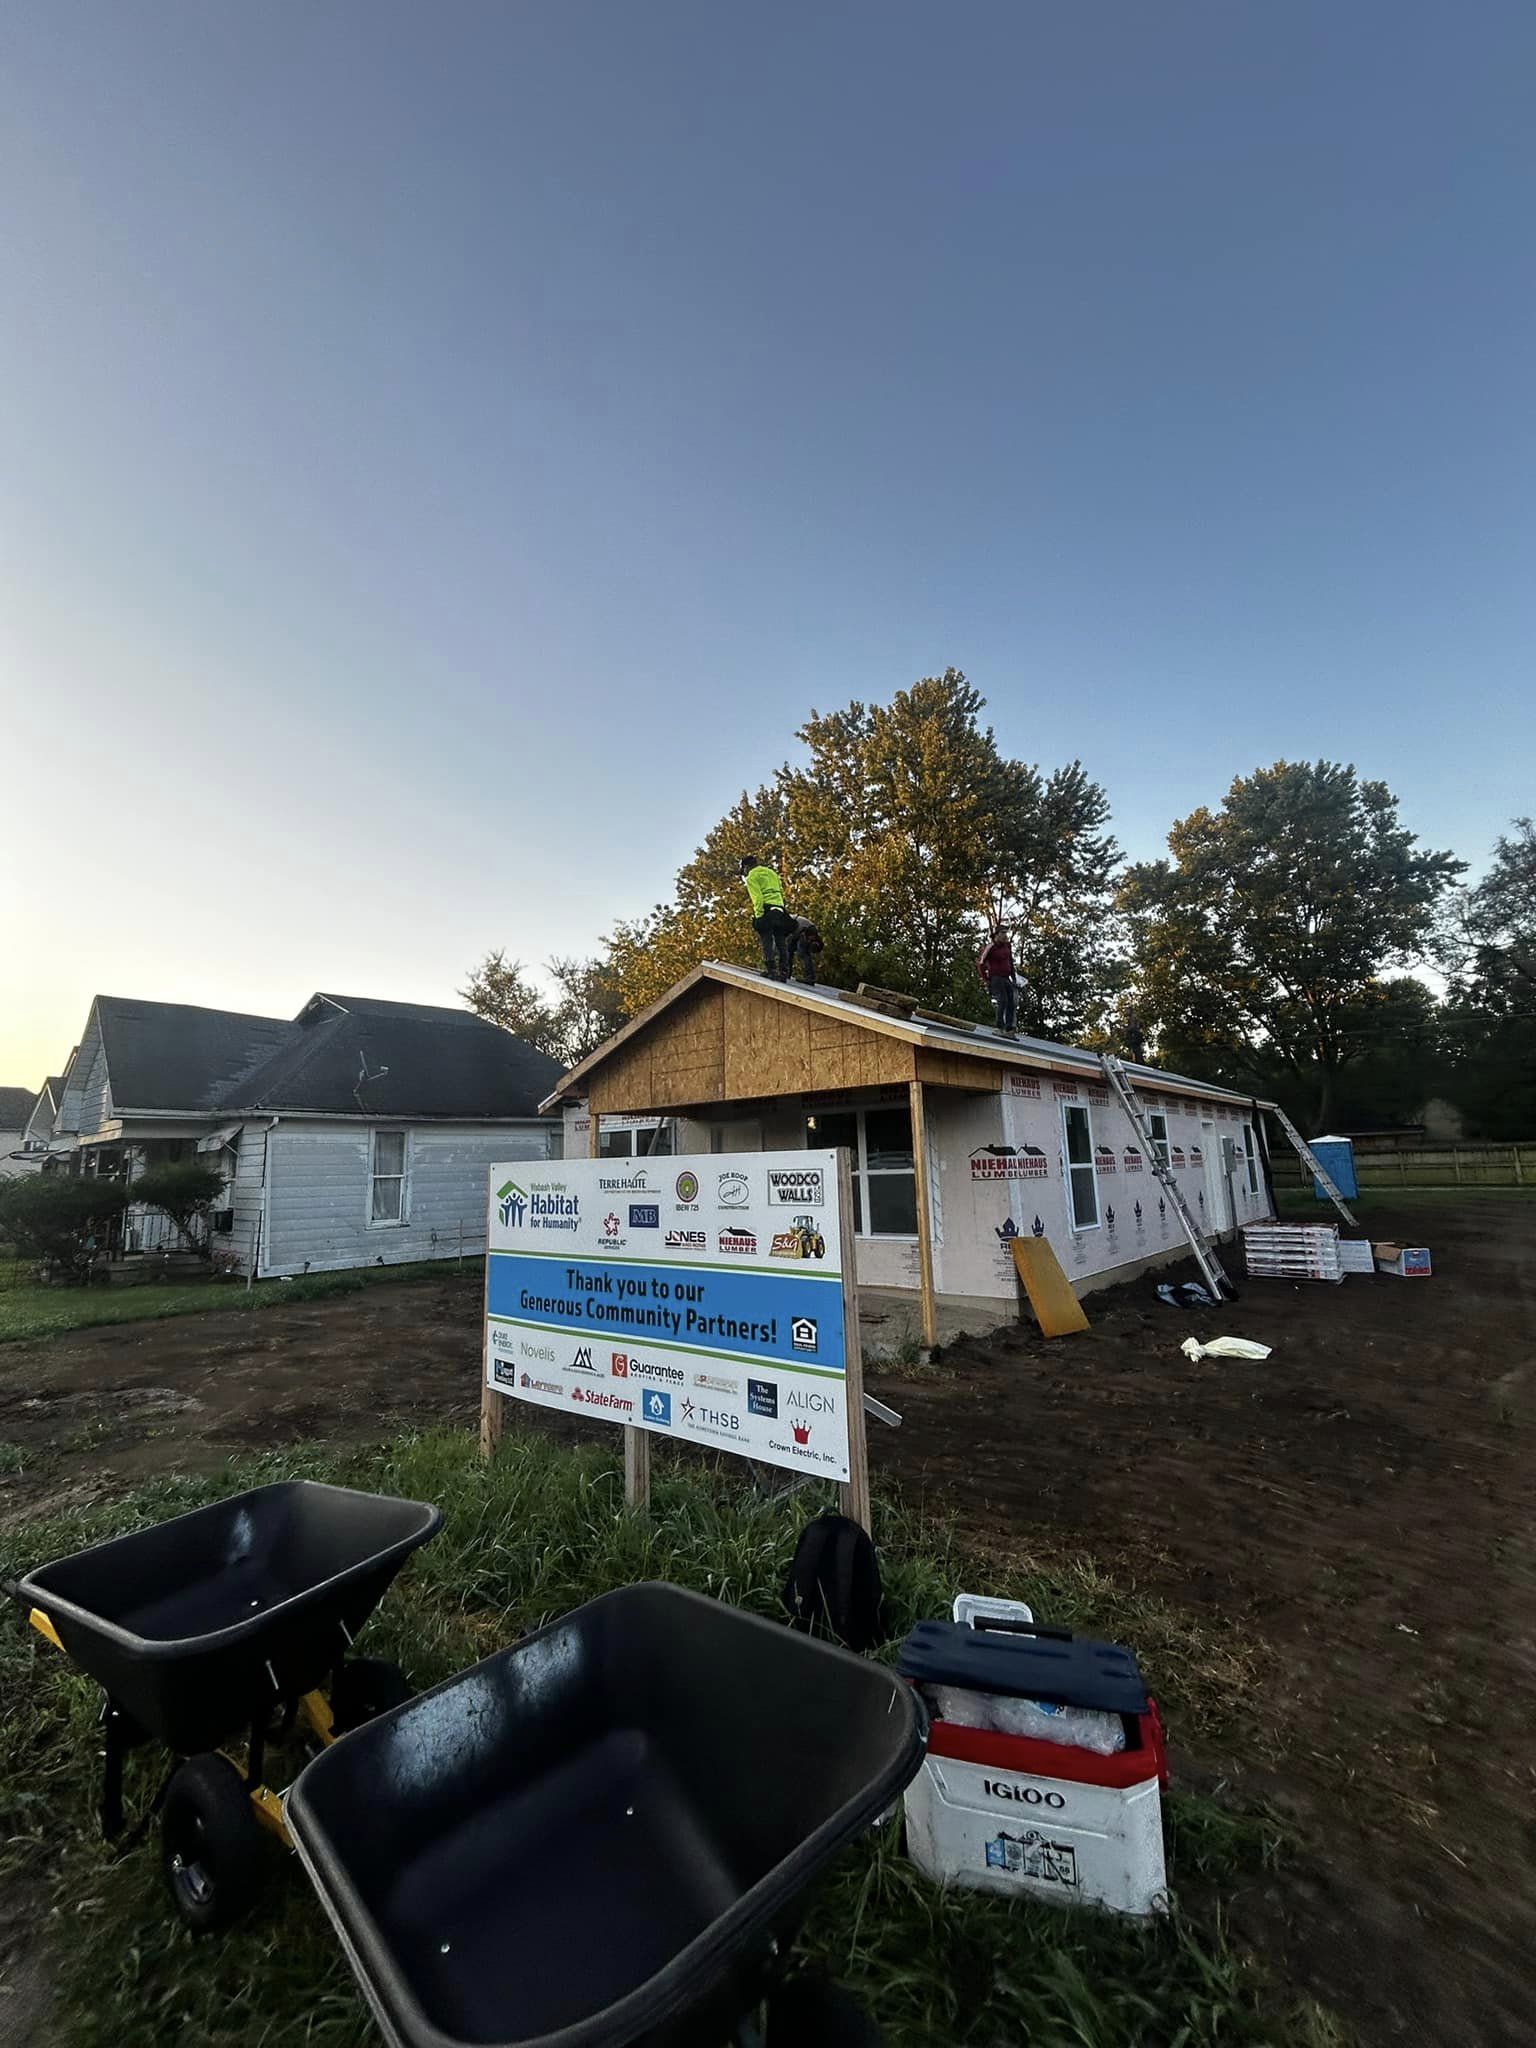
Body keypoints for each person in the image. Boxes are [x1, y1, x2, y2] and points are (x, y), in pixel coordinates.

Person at [739, 855, 795, 980]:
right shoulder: (771, 872)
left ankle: (771, 970)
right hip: (779, 908)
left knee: (766, 940)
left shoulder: (751, 877)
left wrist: (759, 916)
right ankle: (784, 971)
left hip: (767, 909)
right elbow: (780, 891)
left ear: (746, 867)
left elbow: (758, 898)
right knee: (781, 941)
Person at [977, 924, 1017, 1031]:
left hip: (1006, 977)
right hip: (996, 978)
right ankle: (999, 1025)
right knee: (1002, 1000)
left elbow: (1010, 961)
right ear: (996, 935)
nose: (1005, 936)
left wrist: (1013, 977)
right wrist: (986, 979)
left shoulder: (1007, 946)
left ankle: (1009, 1027)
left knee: (1011, 1001)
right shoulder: (991, 947)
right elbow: (981, 963)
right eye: (1002, 933)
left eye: (1006, 933)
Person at [791, 914, 824, 985]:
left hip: (806, 930)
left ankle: (809, 977)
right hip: (806, 929)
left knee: (802, 953)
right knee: (790, 950)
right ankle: (787, 972)